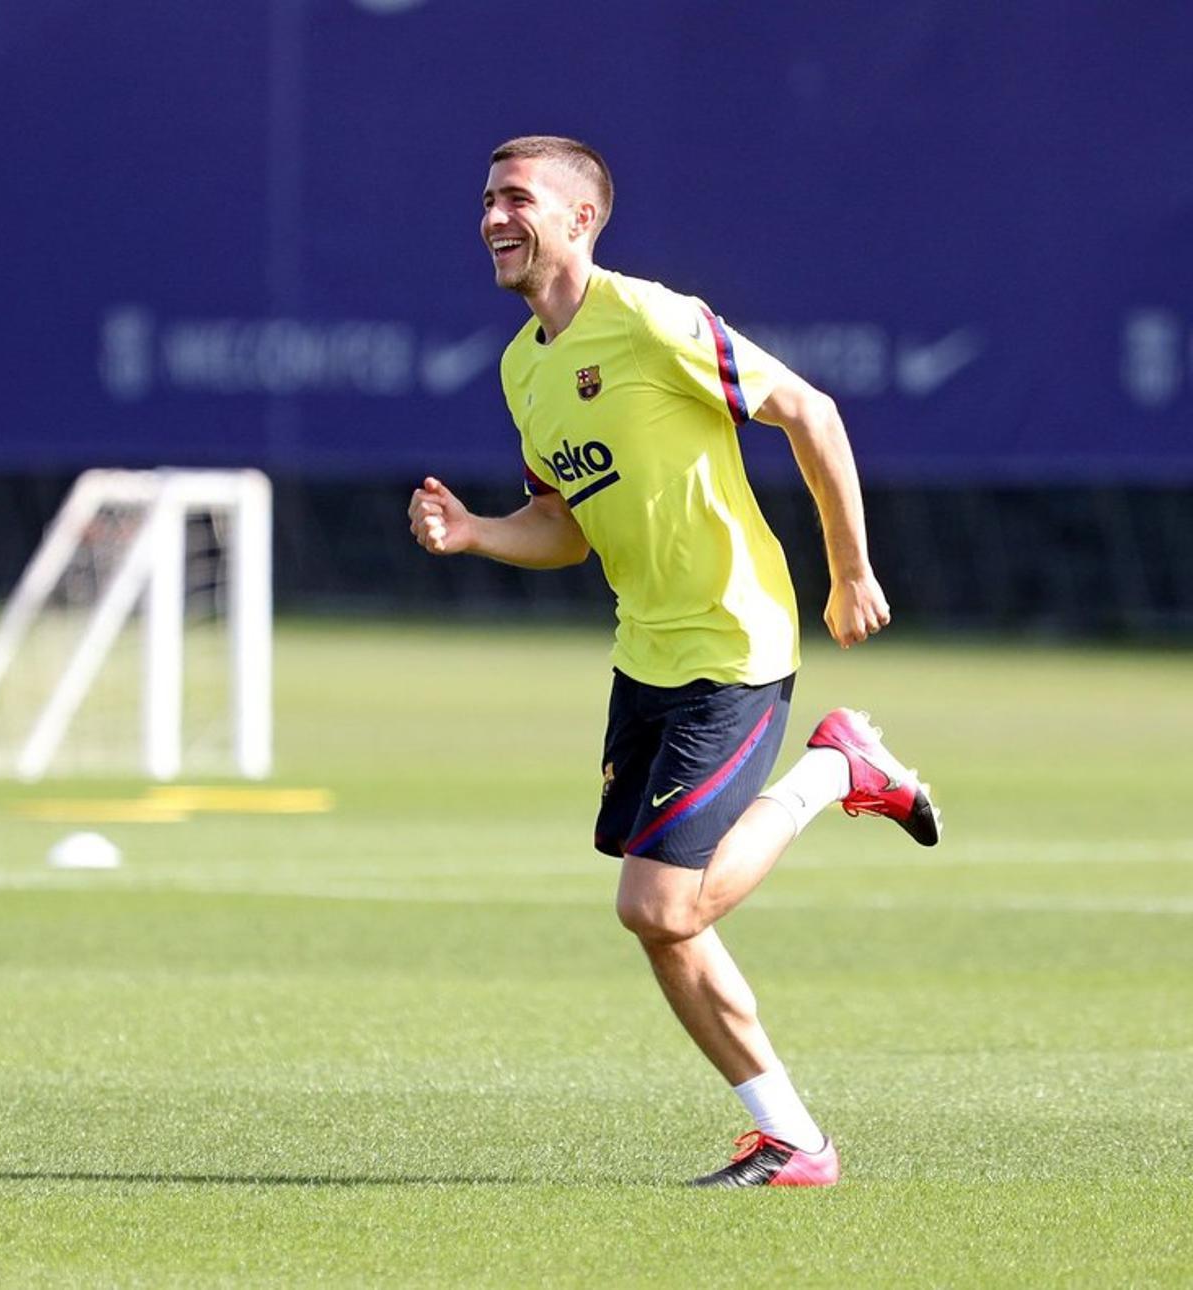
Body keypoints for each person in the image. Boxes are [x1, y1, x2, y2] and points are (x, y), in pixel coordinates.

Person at [409, 135, 941, 1188]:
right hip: (644, 654)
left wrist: (849, 570)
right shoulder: (525, 368)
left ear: (578, 220)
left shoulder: (653, 319)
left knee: (657, 906)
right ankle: (791, 1139)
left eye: (515, 198)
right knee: (664, 922)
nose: (492, 219)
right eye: (484, 201)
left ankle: (836, 769)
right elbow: (565, 525)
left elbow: (811, 413)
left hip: (735, 644)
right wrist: (477, 532)